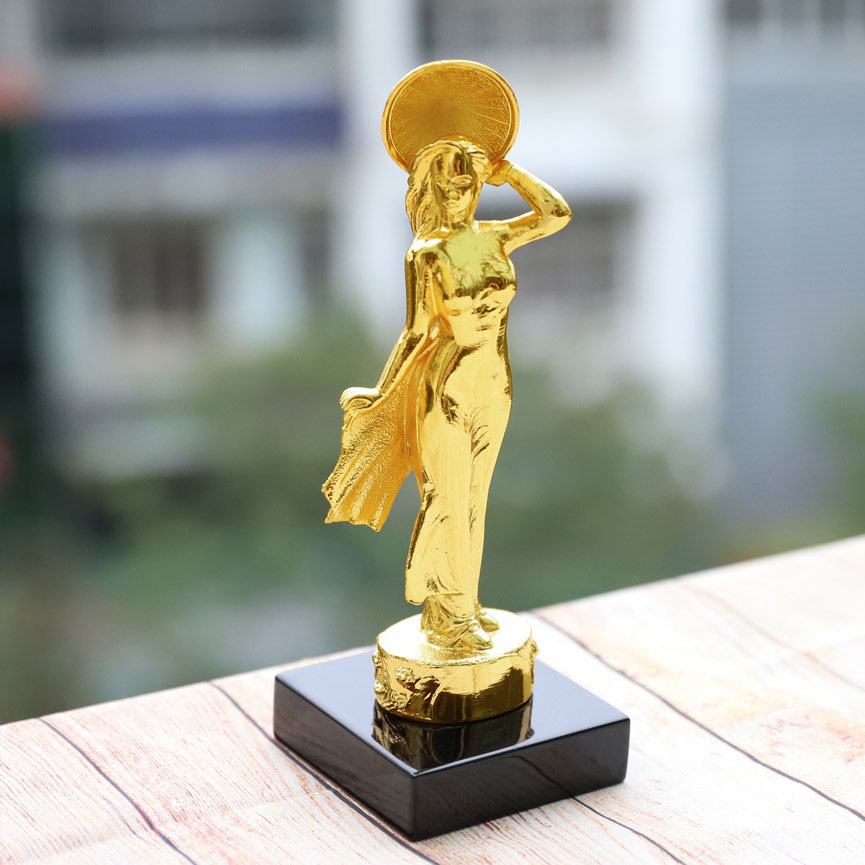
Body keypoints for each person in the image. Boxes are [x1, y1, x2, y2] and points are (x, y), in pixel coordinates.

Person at [324, 137, 571, 650]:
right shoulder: (427, 253)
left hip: (495, 384)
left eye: (465, 183)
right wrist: (381, 392)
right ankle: (446, 618)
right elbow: (414, 334)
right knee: (446, 498)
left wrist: (507, 170)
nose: (457, 194)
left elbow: (556, 214)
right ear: (431, 189)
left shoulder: (494, 237)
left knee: (476, 501)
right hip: (447, 387)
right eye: (447, 185)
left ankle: (466, 607)